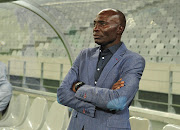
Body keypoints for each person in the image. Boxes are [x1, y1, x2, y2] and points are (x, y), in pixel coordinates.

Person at [57, 8, 145, 130]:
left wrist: (79, 87)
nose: (95, 28)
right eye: (95, 24)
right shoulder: (84, 55)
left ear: (120, 29)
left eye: (102, 24)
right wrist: (94, 106)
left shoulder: (133, 60)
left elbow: (118, 101)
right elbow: (62, 94)